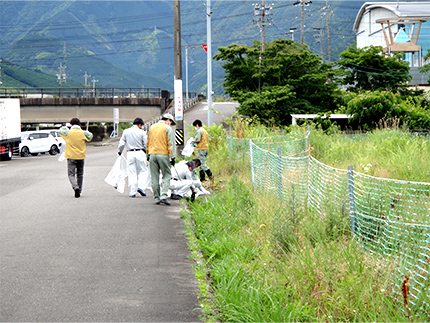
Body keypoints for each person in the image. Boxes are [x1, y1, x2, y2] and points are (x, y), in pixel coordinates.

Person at [59, 118, 93, 198]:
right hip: (81, 156)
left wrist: (67, 127)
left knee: (71, 174)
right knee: (80, 174)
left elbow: (61, 130)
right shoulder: (83, 133)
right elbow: (90, 136)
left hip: (71, 156)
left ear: (71, 124)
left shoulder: (68, 133)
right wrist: (84, 131)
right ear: (80, 125)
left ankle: (75, 187)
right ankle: (79, 190)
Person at [147, 113, 176, 205]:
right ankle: (164, 195)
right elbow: (171, 143)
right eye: (170, 122)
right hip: (163, 154)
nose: (170, 124)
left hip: (152, 154)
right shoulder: (167, 128)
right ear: (168, 120)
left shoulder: (152, 127)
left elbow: (148, 142)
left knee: (154, 176)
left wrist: (148, 154)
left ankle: (156, 198)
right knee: (167, 175)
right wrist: (173, 157)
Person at [118, 117, 149, 198]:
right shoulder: (142, 132)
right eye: (141, 125)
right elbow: (146, 144)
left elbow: (121, 143)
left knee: (132, 173)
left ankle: (132, 192)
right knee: (143, 171)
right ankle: (141, 187)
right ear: (139, 124)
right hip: (140, 152)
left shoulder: (126, 131)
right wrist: (147, 154)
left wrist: (120, 151)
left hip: (130, 153)